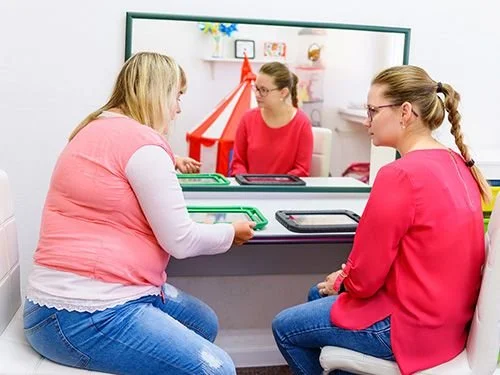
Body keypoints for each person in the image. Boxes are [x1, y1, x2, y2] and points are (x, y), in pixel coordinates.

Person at [23, 52, 255, 375]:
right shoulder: (144, 146)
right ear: (159, 93)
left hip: (61, 307)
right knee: (217, 369)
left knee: (202, 321)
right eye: (178, 96)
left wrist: (170, 159)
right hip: (85, 314)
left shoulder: (94, 128)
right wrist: (232, 232)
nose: (178, 108)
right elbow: (182, 241)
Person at [272, 65, 491, 375]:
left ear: (405, 112)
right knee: (316, 293)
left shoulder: (400, 174)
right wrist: (345, 280)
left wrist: (345, 279)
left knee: (285, 328)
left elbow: (364, 281)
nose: (367, 120)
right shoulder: (455, 162)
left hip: (411, 328)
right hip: (448, 323)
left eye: (373, 111)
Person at [230, 62, 313, 177]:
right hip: (249, 191)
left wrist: (273, 186)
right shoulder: (247, 119)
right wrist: (248, 185)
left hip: (284, 191)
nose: (257, 94)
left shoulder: (301, 123)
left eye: (264, 90)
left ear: (283, 92)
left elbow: (301, 170)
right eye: (256, 88)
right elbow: (238, 163)